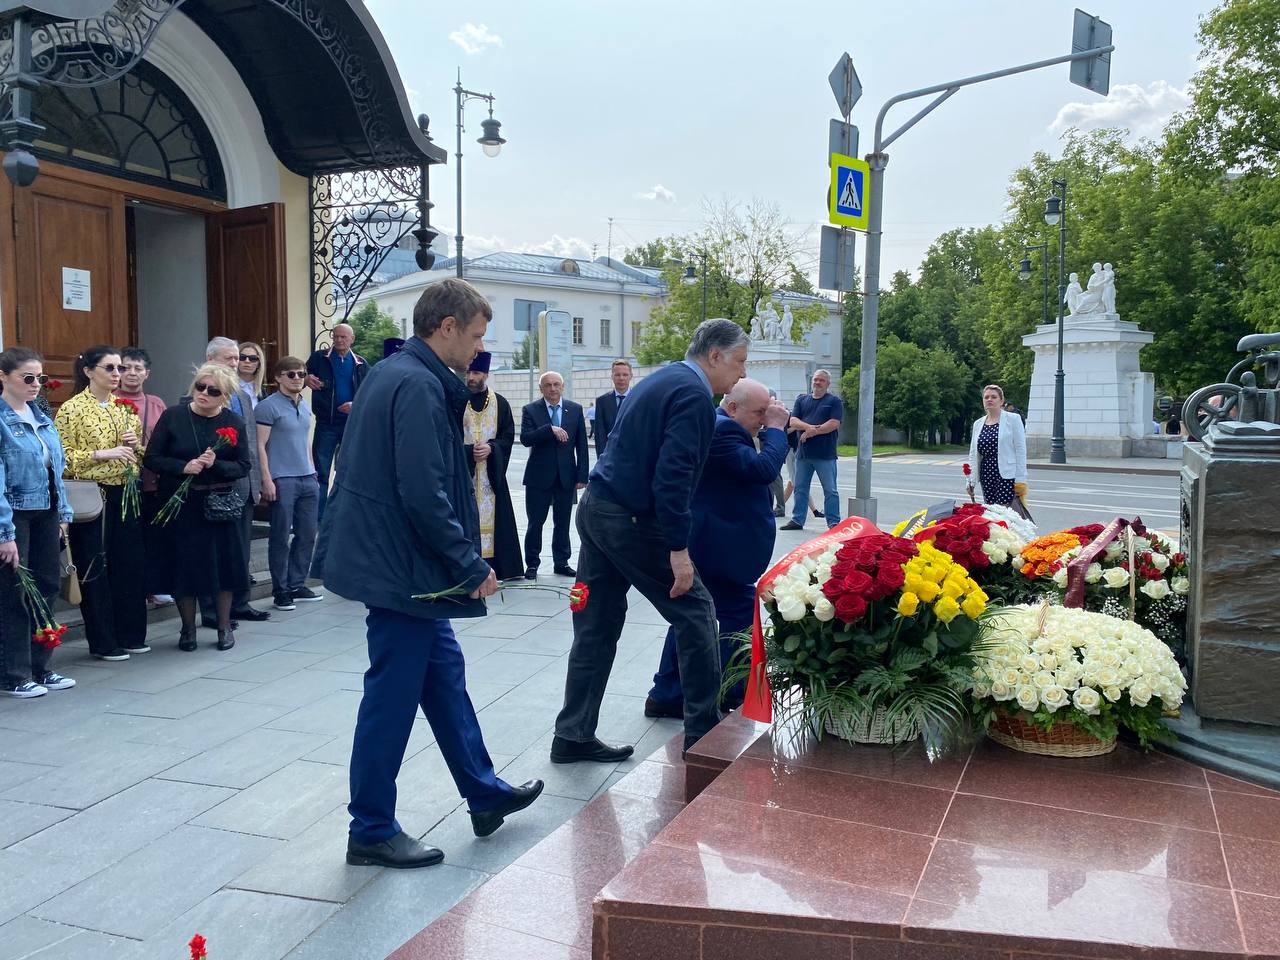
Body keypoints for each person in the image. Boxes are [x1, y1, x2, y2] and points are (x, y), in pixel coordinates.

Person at [311, 277, 542, 869]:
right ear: (446, 327)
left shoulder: (401, 374)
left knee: (443, 677)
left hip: (399, 562)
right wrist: (468, 563)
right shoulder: (414, 383)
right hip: (402, 569)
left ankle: (483, 793)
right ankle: (370, 828)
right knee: (391, 696)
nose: (476, 349)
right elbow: (423, 490)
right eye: (475, 335)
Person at [553, 318, 750, 761]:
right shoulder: (694, 394)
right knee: (698, 612)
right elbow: (673, 476)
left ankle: (572, 735)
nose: (741, 374)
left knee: (597, 626)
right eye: (738, 362)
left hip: (598, 508)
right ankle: (704, 737)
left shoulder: (662, 377)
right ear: (714, 355)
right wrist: (678, 550)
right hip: (629, 519)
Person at [645, 379, 788, 719]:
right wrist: (778, 430)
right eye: (759, 413)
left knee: (692, 617)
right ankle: (732, 691)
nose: (763, 419)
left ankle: (667, 692)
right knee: (734, 615)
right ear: (733, 406)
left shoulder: (723, 424)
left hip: (713, 544)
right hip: (718, 547)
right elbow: (762, 470)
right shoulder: (723, 429)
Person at [144, 364, 251, 652]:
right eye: (200, 387)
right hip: (181, 504)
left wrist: (216, 464)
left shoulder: (234, 422)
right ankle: (188, 628)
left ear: (225, 396)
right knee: (184, 567)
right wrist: (183, 467)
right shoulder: (173, 416)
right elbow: (152, 458)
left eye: (213, 390)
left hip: (218, 505)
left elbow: (243, 465)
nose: (204, 394)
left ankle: (224, 627)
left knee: (224, 568)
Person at [56, 345, 148, 660]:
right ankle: (104, 640)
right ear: (88, 371)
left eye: (119, 368)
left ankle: (131, 633)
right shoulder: (72, 408)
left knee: (129, 563)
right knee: (96, 563)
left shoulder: (123, 407)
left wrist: (137, 446)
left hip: (126, 490)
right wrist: (101, 453)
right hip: (92, 492)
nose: (117, 374)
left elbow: (139, 455)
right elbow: (62, 458)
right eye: (109, 368)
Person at [0, 348, 75, 698]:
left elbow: (55, 467)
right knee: (15, 592)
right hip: (15, 512)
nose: (35, 385)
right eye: (27, 378)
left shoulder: (39, 412)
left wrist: (62, 515)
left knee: (45, 586)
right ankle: (14, 674)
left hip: (46, 508)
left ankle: (41, 667)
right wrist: (5, 532)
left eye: (40, 378)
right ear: (3, 376)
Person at [200, 340, 271, 627]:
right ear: (210, 358)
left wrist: (257, 481)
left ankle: (239, 604)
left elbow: (251, 443)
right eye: (228, 358)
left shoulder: (241, 394)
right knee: (213, 553)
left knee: (239, 550)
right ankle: (210, 611)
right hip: (213, 486)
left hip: (242, 483)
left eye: (237, 358)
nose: (235, 363)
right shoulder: (199, 394)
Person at [256, 357, 323, 612]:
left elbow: (305, 439)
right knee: (280, 535)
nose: (297, 378)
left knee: (307, 534)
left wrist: (313, 469)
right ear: (278, 378)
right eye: (291, 374)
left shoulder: (305, 405)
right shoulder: (267, 407)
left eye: (301, 374)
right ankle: (280, 589)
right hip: (282, 478)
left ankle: (297, 584)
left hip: (307, 476)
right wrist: (266, 479)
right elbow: (260, 445)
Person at [520, 371, 589, 579]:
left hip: (566, 477)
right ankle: (532, 564)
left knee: (563, 522)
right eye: (548, 385)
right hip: (538, 477)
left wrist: (582, 475)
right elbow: (525, 438)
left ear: (562, 386)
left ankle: (561, 562)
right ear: (541, 388)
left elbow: (582, 446)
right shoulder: (531, 410)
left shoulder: (575, 410)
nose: (552, 388)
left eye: (556, 384)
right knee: (535, 522)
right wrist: (549, 430)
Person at [118, 347, 171, 607]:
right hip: (119, 481)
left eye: (138, 368)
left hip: (151, 480)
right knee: (128, 540)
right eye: (125, 367)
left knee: (154, 536)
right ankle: (132, 589)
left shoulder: (156, 403)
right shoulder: (107, 401)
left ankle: (155, 586)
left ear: (147, 373)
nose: (131, 373)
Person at [463, 352, 523, 581]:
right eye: (469, 372)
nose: (471, 377)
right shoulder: (458, 401)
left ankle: (497, 567)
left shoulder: (500, 402)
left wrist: (491, 448)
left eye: (476, 373)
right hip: (465, 472)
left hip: (491, 475)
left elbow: (508, 436)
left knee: (496, 518)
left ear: (486, 375)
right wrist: (468, 453)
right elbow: (448, 436)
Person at [306, 323, 369, 521]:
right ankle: (319, 518)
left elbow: (370, 393)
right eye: (336, 336)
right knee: (321, 471)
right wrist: (307, 378)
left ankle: (343, 516)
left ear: (352, 339)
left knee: (349, 470)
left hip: (352, 424)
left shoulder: (361, 363)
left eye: (344, 337)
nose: (340, 340)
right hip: (327, 423)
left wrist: (355, 404)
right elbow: (299, 376)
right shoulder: (319, 358)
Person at [780, 370, 843, 531]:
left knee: (830, 490)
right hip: (804, 454)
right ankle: (797, 520)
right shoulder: (802, 400)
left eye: (822, 380)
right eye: (816, 379)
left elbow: (834, 423)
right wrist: (809, 428)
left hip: (825, 454)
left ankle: (833, 522)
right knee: (800, 488)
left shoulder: (834, 401)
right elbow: (793, 420)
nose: (818, 382)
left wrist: (813, 431)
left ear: (828, 384)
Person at [966, 383, 1028, 507]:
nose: (989, 399)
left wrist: (1020, 481)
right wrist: (970, 481)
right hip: (986, 474)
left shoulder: (1013, 419)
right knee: (991, 512)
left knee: (1005, 512)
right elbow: (973, 454)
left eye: (993, 397)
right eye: (986, 397)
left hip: (1007, 475)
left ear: (1001, 401)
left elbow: (1021, 451)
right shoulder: (978, 424)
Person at [592, 359, 632, 459]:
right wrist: (602, 460)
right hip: (610, 458)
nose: (621, 378)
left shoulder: (640, 399)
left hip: (634, 458)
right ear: (612, 377)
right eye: (617, 375)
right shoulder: (602, 401)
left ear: (631, 376)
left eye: (625, 374)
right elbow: (600, 434)